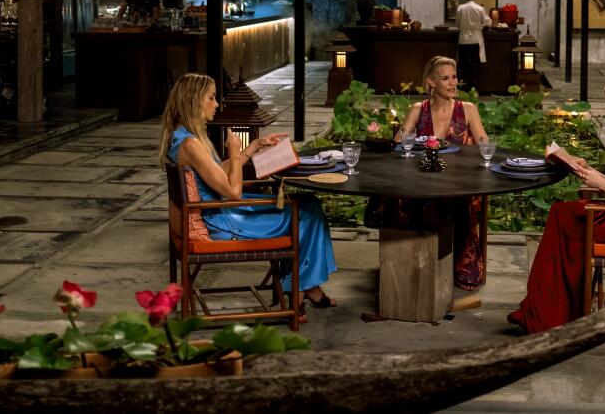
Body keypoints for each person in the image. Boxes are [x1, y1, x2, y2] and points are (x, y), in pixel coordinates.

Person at [159, 72, 336, 320]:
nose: (217, 104)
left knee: (308, 203)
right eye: (211, 98)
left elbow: (217, 174)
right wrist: (234, 151)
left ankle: (306, 286)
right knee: (307, 212)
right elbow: (233, 192)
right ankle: (299, 290)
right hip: (222, 220)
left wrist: (252, 148)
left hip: (221, 210)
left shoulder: (182, 138)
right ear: (193, 101)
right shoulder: (190, 145)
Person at [508, 74, 605, 333]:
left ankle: (554, 312)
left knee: (563, 218)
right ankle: (551, 309)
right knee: (561, 214)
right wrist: (589, 171)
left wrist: (600, 183)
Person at [368, 56, 490, 290]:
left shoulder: (467, 109)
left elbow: (485, 145)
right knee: (399, 197)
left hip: (458, 181)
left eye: (454, 77)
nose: (453, 83)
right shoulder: (418, 109)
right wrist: (405, 134)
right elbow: (399, 145)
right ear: (432, 82)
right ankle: (413, 260)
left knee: (457, 199)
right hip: (422, 179)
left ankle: (459, 262)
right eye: (445, 78)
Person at [455, 0, 491, 93]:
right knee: (475, 65)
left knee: (462, 65)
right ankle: (474, 89)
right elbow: (488, 22)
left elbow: (457, 24)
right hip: (476, 39)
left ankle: (461, 89)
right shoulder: (480, 8)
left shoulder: (460, 8)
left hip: (463, 39)